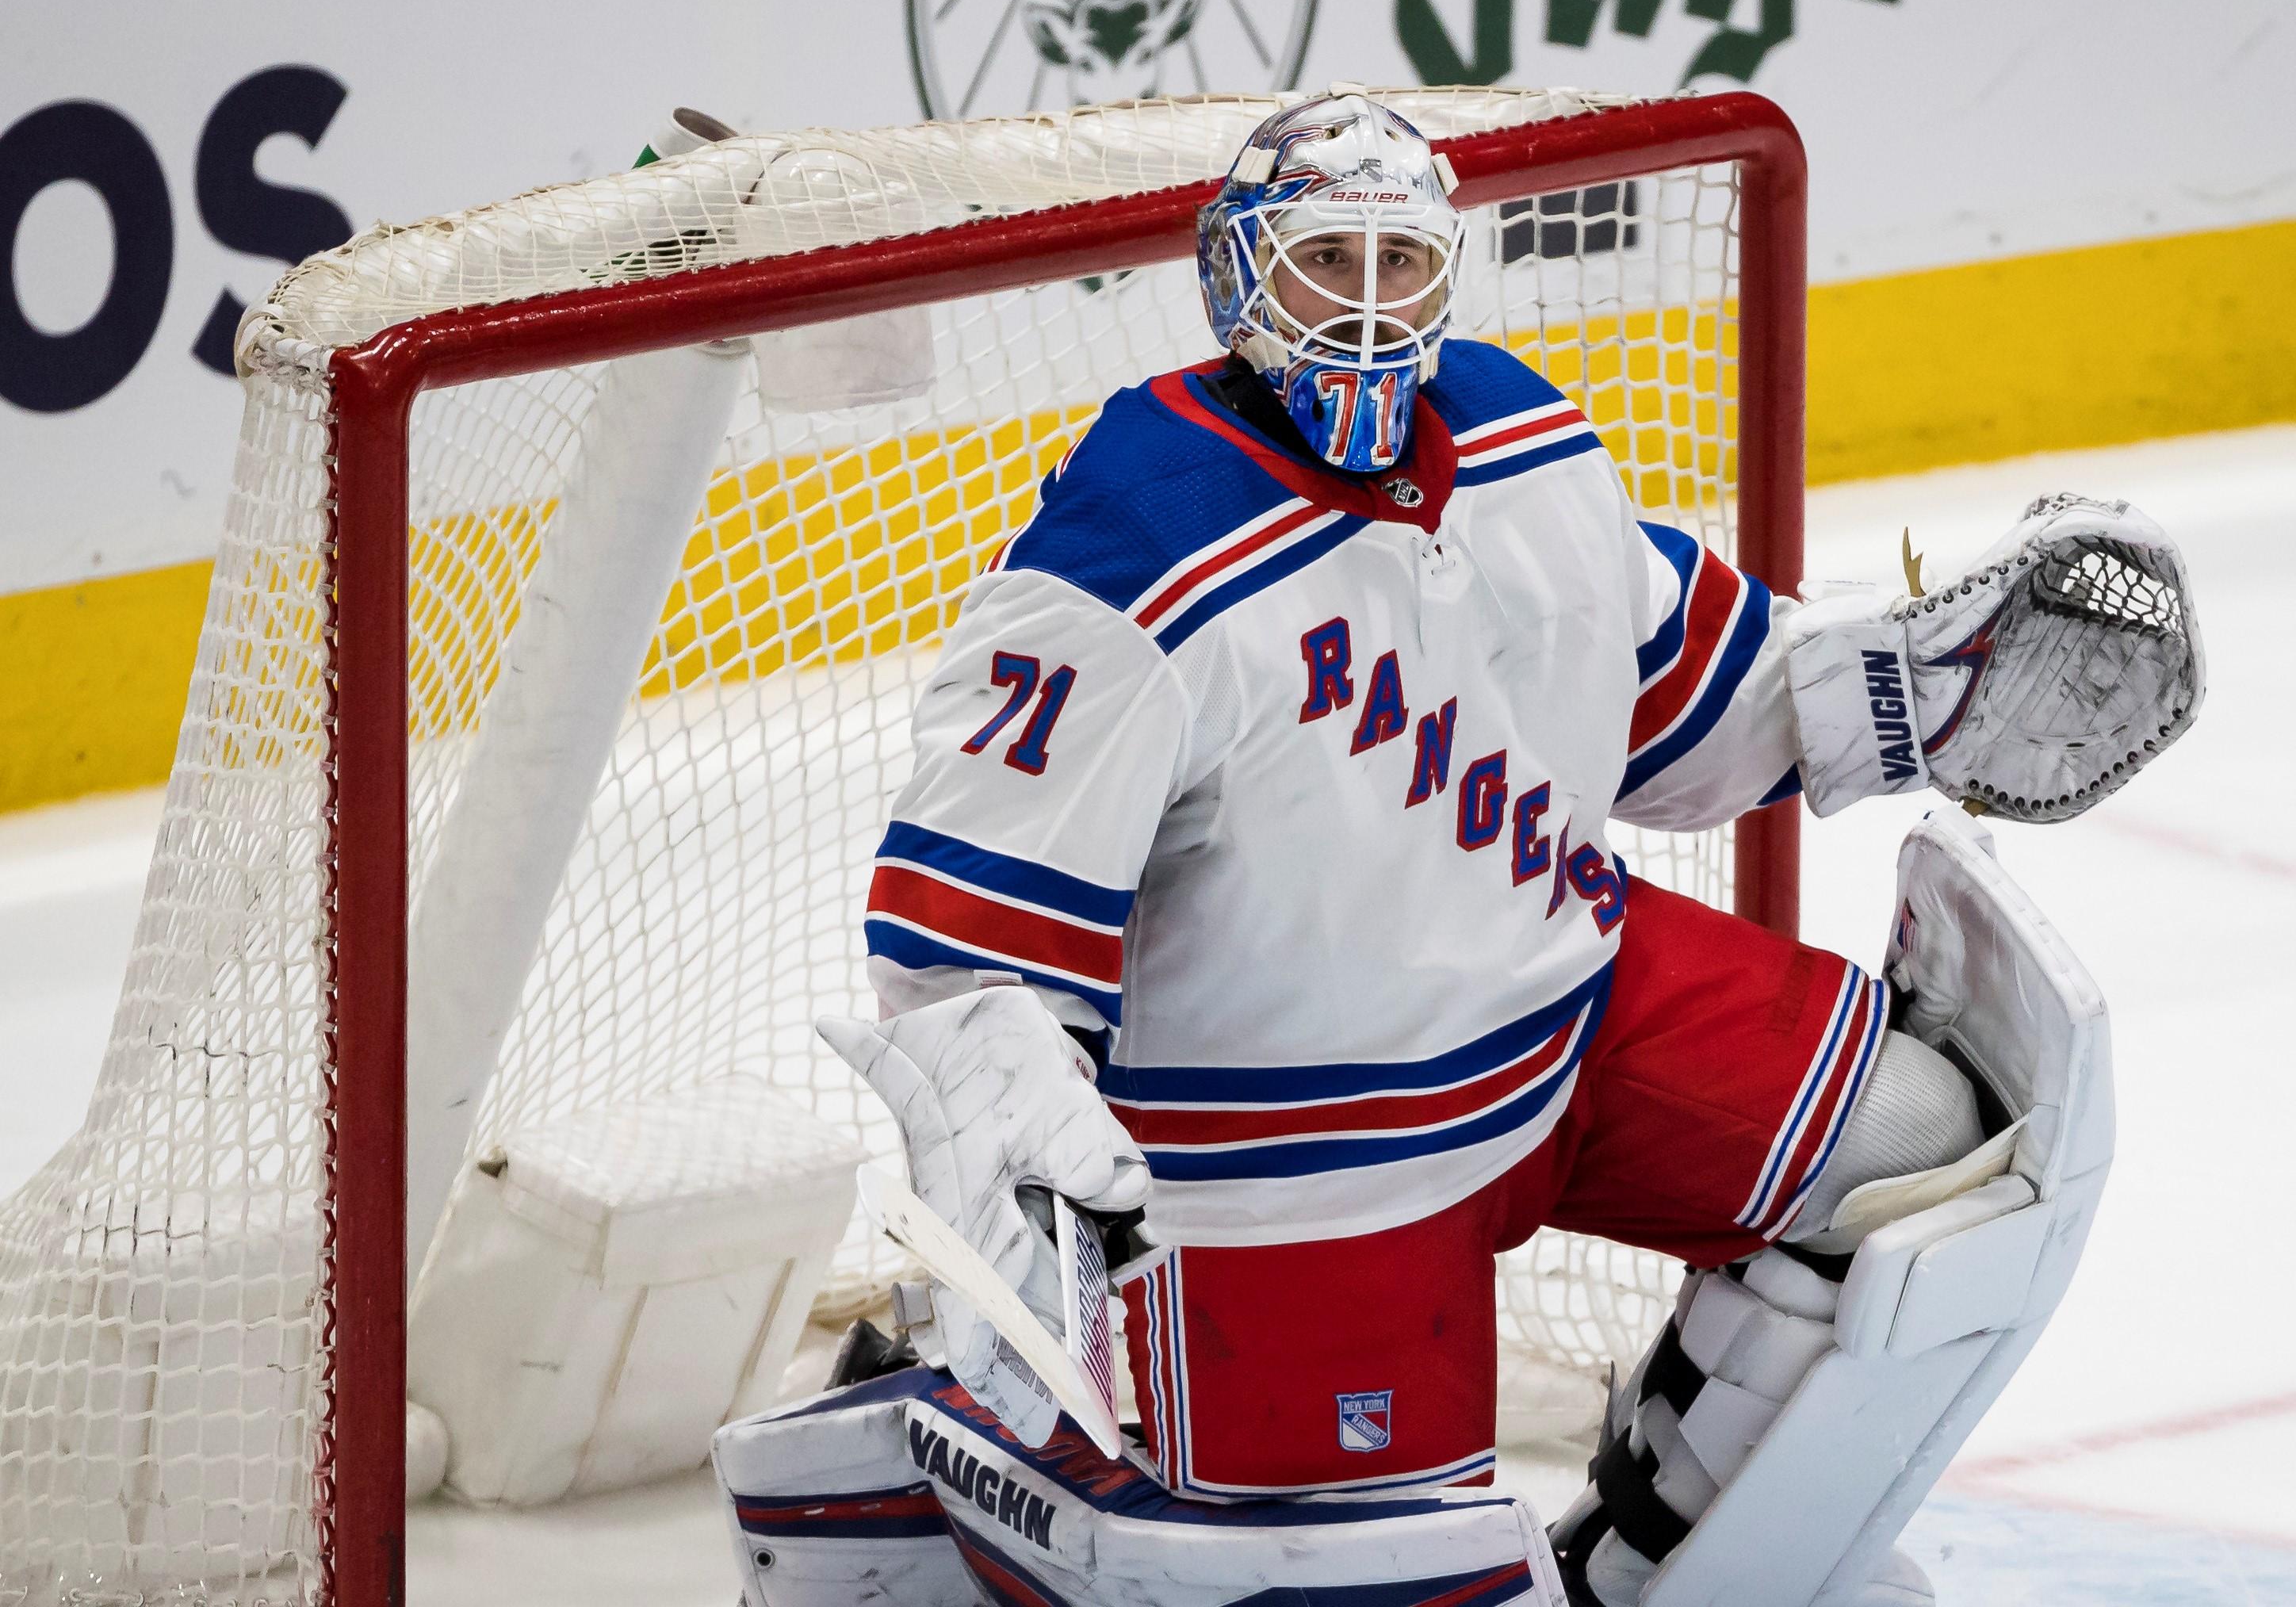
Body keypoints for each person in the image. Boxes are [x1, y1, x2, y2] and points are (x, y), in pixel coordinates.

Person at [714, 91, 2202, 1607]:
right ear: (1238, 280)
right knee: (1362, 1588)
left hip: (1575, 1019)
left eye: (1400, 267)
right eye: (1322, 267)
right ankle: (964, 1446)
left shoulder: (1518, 436)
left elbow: (1681, 700)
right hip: (1298, 1165)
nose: (1364, 312)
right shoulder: (1131, 547)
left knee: (1930, 1146)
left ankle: (1660, 1559)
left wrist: (1901, 693)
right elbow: (971, 924)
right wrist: (1017, 1139)